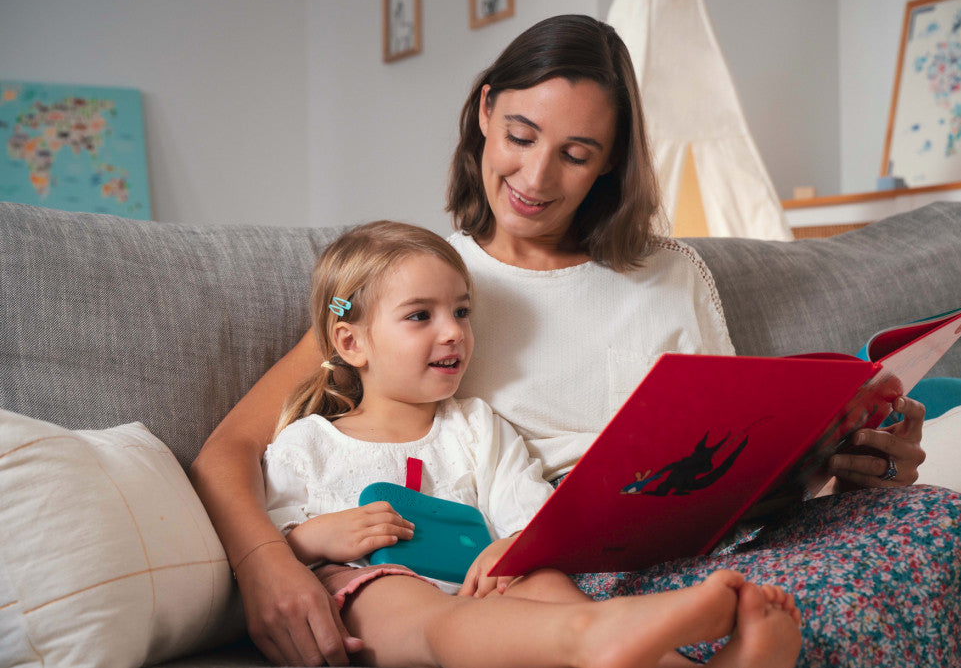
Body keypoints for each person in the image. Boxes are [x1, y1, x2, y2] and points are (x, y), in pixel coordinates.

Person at [191, 14, 961, 667]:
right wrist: (271, 560)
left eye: (576, 153)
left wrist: (840, 458)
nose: (537, 177)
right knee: (795, 603)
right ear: (484, 111)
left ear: (610, 164)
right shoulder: (423, 289)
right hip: (558, 576)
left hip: (717, 540)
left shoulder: (671, 273)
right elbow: (230, 450)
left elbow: (735, 457)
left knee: (942, 523)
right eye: (520, 135)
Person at [257, 219, 803, 668]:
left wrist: (514, 544)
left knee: (545, 583)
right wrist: (311, 537)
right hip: (373, 595)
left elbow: (523, 501)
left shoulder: (473, 423)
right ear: (350, 342)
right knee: (420, 608)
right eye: (421, 316)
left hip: (476, 587)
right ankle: (595, 638)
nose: (453, 332)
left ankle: (660, 653)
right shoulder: (308, 441)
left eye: (462, 311)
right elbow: (270, 548)